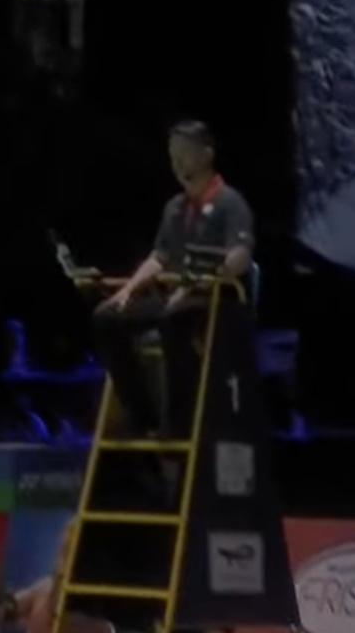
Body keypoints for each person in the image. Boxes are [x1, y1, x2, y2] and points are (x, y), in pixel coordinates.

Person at [95, 121, 254, 437]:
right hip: (174, 297)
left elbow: (240, 257)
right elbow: (160, 257)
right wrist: (128, 290)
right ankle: (142, 416)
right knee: (106, 318)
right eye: (172, 154)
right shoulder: (174, 208)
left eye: (184, 153)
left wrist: (200, 282)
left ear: (206, 154)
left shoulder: (230, 203)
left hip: (214, 300)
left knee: (174, 319)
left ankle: (178, 424)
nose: (176, 162)